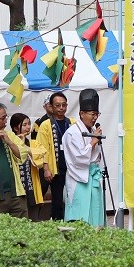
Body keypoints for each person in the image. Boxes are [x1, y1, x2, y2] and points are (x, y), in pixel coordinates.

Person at [62, 89, 105, 226]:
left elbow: (96, 157)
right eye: (92, 114)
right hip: (80, 178)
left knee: (95, 212)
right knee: (81, 216)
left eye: (96, 114)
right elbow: (77, 158)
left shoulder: (92, 131)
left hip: (93, 177)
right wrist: (93, 142)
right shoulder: (72, 132)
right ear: (81, 114)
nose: (95, 118)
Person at [32, 92, 76, 220]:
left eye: (64, 105)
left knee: (71, 198)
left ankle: (72, 221)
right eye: (58, 105)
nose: (61, 108)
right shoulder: (45, 125)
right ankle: (57, 223)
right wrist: (46, 168)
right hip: (55, 168)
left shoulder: (72, 122)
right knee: (57, 200)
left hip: (71, 168)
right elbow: (42, 148)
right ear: (51, 106)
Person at [27, 98, 54, 218]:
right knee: (41, 189)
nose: (51, 107)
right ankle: (36, 215)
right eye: (49, 105)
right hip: (44, 161)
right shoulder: (39, 122)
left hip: (56, 161)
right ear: (45, 106)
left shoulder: (61, 120)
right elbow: (34, 143)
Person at [9, 113, 37, 217]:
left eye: (29, 124)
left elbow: (38, 158)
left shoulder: (31, 142)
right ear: (16, 128)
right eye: (24, 125)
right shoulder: (10, 141)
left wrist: (24, 144)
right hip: (16, 184)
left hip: (29, 183)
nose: (28, 127)